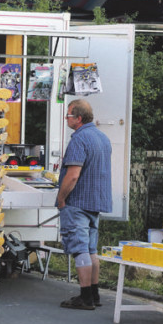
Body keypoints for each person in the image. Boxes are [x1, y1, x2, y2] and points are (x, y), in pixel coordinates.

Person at [55, 98, 113, 310]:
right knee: (91, 250)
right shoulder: (102, 138)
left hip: (77, 201)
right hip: (95, 201)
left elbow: (73, 175)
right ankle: (94, 294)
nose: (66, 118)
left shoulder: (79, 140)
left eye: (69, 114)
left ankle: (85, 297)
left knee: (79, 250)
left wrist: (61, 199)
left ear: (78, 118)